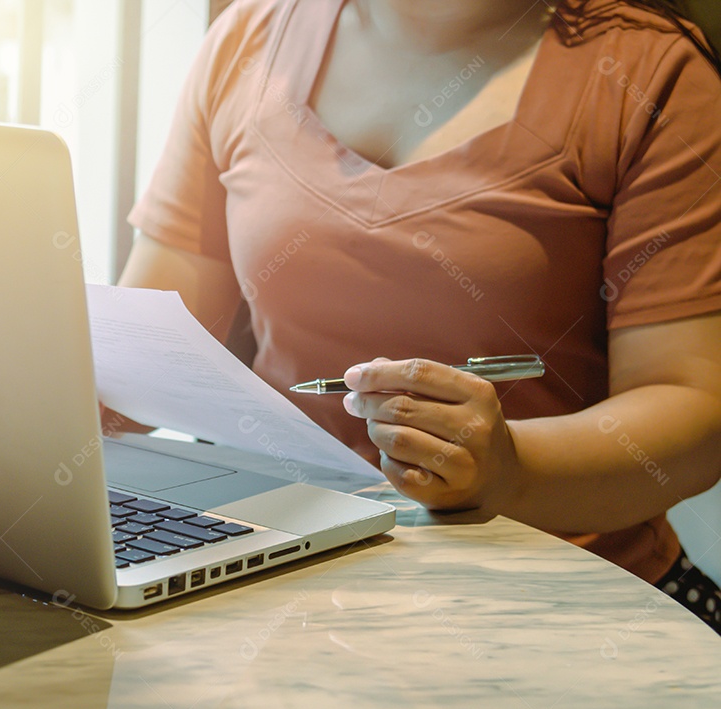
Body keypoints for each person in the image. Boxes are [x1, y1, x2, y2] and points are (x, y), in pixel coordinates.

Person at [111, 0, 721, 634]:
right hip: (279, 588)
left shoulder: (652, 74)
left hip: (569, 607)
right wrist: (60, 386)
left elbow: (692, 409)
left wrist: (510, 470)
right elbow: (145, 355)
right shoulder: (247, 36)